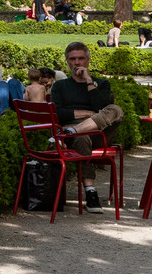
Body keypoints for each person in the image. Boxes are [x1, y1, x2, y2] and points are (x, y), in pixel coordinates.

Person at [52, 42, 122, 213]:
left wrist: (89, 81)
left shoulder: (101, 83)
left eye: (81, 58)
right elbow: (58, 114)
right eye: (72, 59)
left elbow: (104, 109)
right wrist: (86, 114)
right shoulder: (60, 86)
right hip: (74, 133)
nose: (77, 63)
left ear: (88, 60)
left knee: (116, 110)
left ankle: (73, 132)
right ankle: (91, 193)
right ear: (67, 61)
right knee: (82, 137)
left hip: (99, 134)